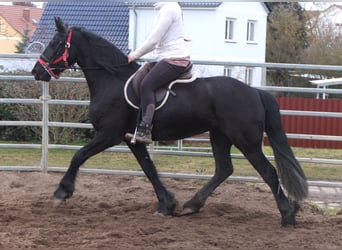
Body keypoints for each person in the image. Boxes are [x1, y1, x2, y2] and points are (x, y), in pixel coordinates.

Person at [125, 2, 191, 144]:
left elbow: (154, 40)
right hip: (165, 57)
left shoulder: (169, 8)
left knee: (146, 85)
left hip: (174, 59)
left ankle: (145, 130)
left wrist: (135, 55)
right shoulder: (166, 7)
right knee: (142, 74)